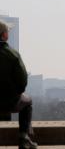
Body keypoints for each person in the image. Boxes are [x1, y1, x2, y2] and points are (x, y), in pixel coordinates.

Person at [0, 21, 37, 149]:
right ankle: (24, 138)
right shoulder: (13, 55)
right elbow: (22, 82)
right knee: (28, 101)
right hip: (10, 101)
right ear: (4, 35)